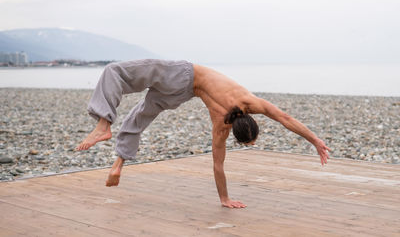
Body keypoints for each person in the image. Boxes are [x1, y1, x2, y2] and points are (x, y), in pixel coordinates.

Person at [76, 59, 332, 209]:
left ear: (253, 119)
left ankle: (103, 125)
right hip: (182, 94)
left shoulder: (250, 101)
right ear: (235, 131)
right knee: (140, 117)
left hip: (182, 79)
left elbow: (285, 118)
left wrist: (316, 141)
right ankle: (118, 162)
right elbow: (218, 165)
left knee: (114, 71)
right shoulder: (221, 126)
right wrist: (225, 199)